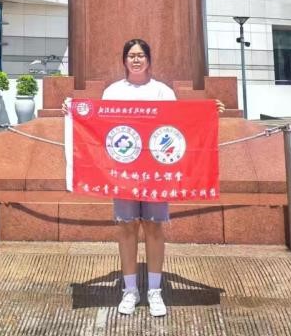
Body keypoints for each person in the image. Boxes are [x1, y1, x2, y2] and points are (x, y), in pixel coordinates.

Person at [65, 38, 224, 318]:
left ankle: (154, 290)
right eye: (131, 55)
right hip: (124, 173)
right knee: (126, 228)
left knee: (153, 227)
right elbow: (98, 126)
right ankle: (129, 290)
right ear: (124, 60)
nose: (136, 60)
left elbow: (180, 126)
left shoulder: (162, 92)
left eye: (140, 55)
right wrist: (74, 113)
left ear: (149, 60)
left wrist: (209, 113)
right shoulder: (113, 92)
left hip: (155, 176)